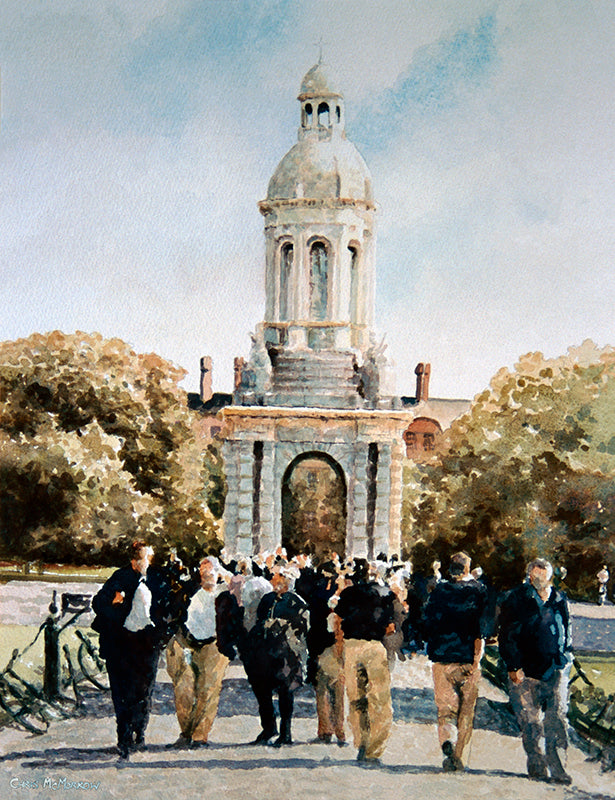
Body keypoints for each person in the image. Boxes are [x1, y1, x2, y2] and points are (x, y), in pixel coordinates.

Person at [91, 541, 173, 761]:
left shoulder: (157, 579)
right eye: (146, 558)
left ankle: (139, 731)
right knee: (121, 691)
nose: (149, 562)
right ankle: (124, 736)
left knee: (143, 691)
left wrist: (162, 635)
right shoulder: (120, 577)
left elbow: (169, 610)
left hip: (147, 643)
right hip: (121, 643)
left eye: (150, 558)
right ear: (135, 561)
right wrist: (114, 603)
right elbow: (97, 603)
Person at [498, 558, 573, 785]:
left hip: (556, 668)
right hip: (525, 672)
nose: (540, 580)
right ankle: (537, 764)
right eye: (536, 576)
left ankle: (558, 769)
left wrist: (566, 656)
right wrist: (513, 666)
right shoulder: (516, 599)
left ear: (550, 577)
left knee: (557, 720)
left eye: (544, 576)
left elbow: (566, 629)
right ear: (530, 575)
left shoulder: (559, 599)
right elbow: (507, 635)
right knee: (531, 723)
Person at [165, 556, 242, 749]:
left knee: (208, 690)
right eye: (203, 572)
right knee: (183, 690)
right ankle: (185, 733)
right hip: (187, 641)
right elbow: (172, 611)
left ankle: (199, 736)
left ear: (218, 573)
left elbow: (238, 584)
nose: (207, 576)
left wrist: (224, 573)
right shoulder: (189, 591)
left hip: (215, 644)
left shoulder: (225, 593)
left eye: (211, 572)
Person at [423, 551, 488, 772]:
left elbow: (428, 621)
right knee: (467, 712)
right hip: (469, 657)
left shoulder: (440, 591)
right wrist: (477, 659)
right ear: (468, 568)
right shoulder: (479, 591)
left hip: (442, 657)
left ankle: (446, 738)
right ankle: (460, 757)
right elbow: (482, 629)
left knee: (445, 708)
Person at [334, 558, 395, 764]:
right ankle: (374, 750)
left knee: (355, 698)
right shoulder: (386, 593)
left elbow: (338, 621)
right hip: (375, 647)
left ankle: (361, 741)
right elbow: (391, 627)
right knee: (379, 699)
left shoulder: (348, 594)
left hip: (351, 646)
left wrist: (339, 646)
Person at [244, 567, 309, 746]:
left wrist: (283, 625)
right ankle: (268, 727)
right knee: (262, 689)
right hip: (264, 651)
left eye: (277, 576)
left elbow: (303, 626)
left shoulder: (296, 601)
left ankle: (285, 732)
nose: (273, 579)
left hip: (286, 653)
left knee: (285, 691)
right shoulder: (267, 599)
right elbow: (258, 619)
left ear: (286, 581)